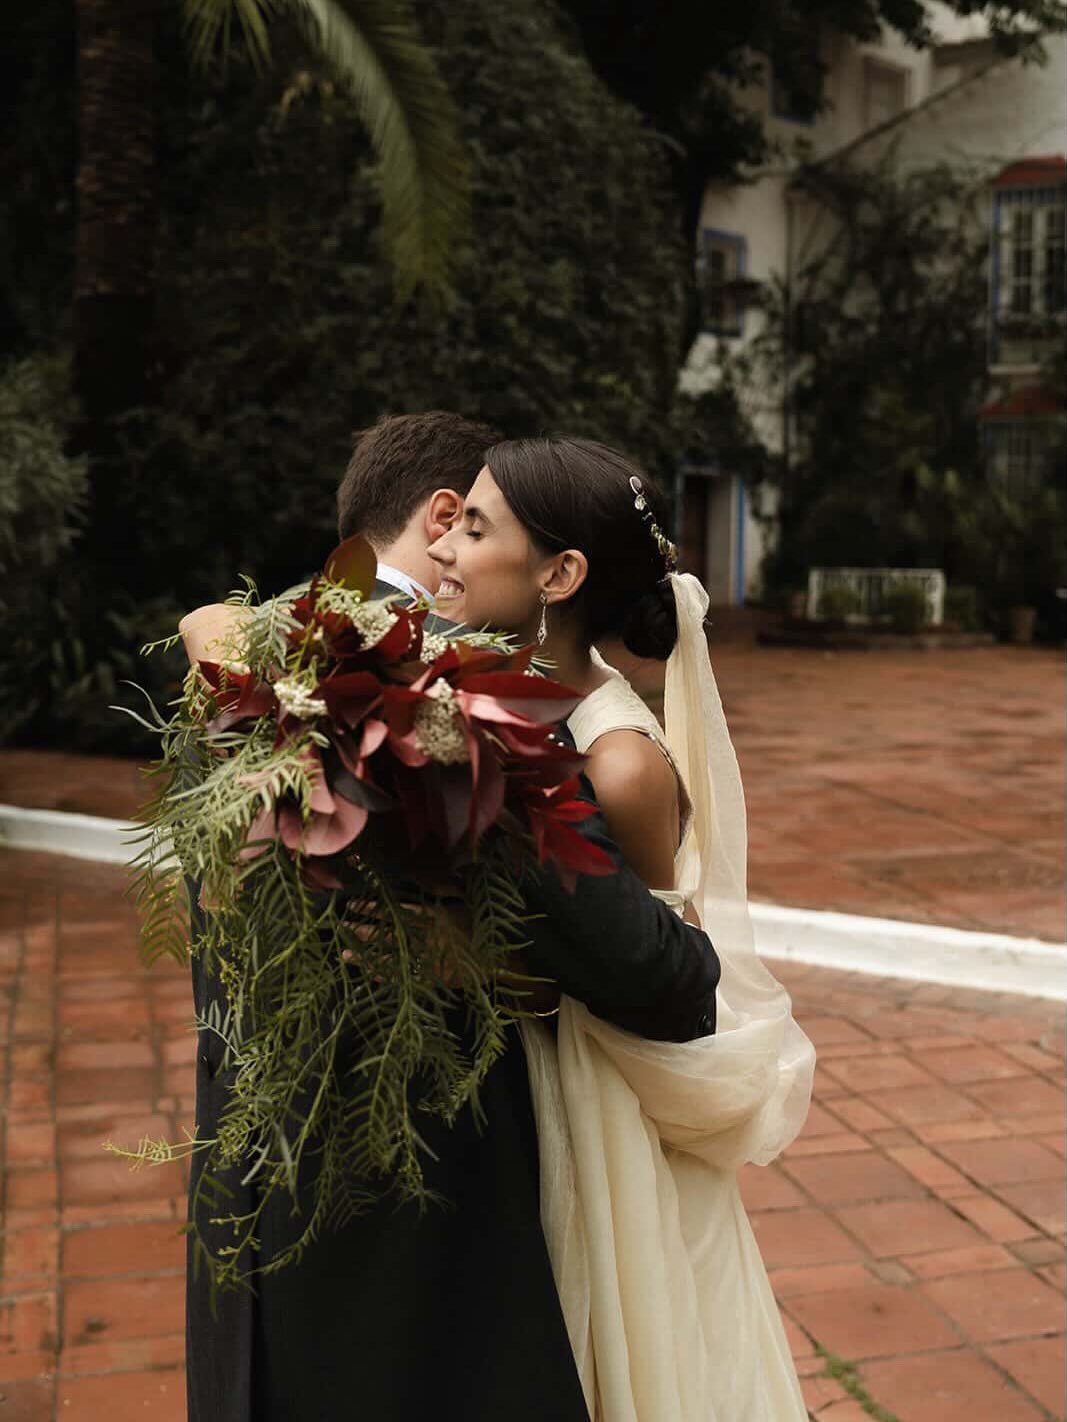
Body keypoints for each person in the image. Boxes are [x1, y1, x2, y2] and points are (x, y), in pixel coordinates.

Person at [182, 413, 722, 1422]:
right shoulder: (458, 722)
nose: (462, 547)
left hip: (247, 1203)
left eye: (486, 527)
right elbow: (669, 980)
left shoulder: (250, 653)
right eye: (465, 521)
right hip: (402, 1261)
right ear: (437, 519)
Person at [427, 435, 815, 1420]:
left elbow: (644, 975)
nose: (446, 550)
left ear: (558, 574)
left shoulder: (618, 761)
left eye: (475, 528)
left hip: (585, 1109)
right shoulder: (455, 690)